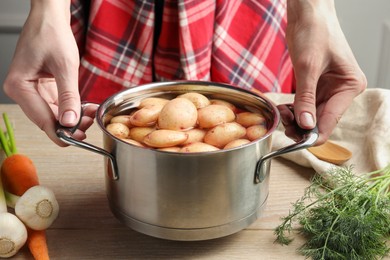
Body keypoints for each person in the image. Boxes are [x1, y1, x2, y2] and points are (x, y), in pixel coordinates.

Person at [3, 0, 366, 147]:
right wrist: (48, 12)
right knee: (112, 125)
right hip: (125, 10)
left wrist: (313, 12)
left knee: (251, 118)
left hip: (239, 10)